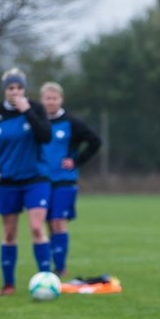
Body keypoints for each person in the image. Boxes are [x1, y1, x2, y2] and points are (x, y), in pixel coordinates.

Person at [0, 68, 53, 295]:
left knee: (36, 227)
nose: (15, 92)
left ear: (25, 89)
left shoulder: (36, 109)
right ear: (4, 90)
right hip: (8, 181)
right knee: (10, 233)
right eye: (11, 88)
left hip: (35, 178)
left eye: (19, 87)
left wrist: (28, 112)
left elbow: (46, 136)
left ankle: (48, 280)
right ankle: (8, 284)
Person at [38, 82, 101, 277]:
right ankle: (49, 269)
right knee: (47, 223)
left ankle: (61, 268)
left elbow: (95, 141)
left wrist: (76, 160)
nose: (51, 102)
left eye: (54, 98)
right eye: (47, 98)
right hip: (41, 180)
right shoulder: (37, 122)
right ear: (42, 100)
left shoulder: (71, 122)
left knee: (58, 221)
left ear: (61, 100)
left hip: (64, 180)